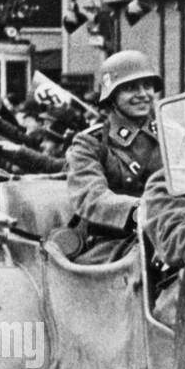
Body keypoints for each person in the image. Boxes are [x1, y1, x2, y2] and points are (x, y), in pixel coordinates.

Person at [65, 51, 164, 264]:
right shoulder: (91, 142)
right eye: (130, 88)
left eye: (147, 86)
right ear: (112, 96)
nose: (143, 94)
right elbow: (90, 197)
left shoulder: (171, 134)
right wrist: (138, 210)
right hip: (114, 240)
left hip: (169, 230)